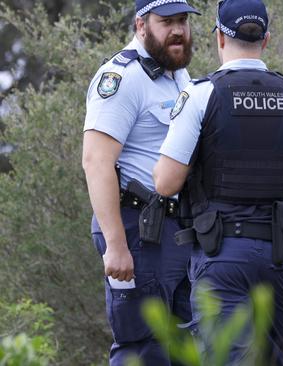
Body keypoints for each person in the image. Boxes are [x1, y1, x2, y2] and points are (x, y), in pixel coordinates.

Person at [153, 0, 283, 364]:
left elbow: (166, 183)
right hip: (277, 254)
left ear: (218, 37)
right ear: (265, 40)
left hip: (221, 255)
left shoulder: (200, 95)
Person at [81, 1, 200, 364]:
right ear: (141, 25)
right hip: (137, 230)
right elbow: (96, 161)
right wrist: (115, 246)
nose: (178, 30)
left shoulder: (177, 73)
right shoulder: (122, 78)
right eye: (166, 22)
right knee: (142, 349)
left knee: (187, 349)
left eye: (182, 21)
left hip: (178, 230)